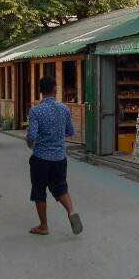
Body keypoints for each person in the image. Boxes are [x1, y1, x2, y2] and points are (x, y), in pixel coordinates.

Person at [27, 76, 83, 236]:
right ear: (55, 90)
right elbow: (70, 131)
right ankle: (71, 211)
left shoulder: (35, 111)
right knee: (60, 187)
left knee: (39, 191)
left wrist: (31, 144)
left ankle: (44, 226)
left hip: (41, 159)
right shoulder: (64, 109)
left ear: (40, 91)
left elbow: (31, 136)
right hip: (59, 158)